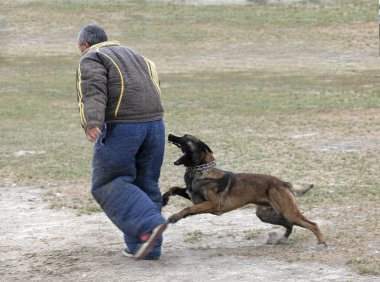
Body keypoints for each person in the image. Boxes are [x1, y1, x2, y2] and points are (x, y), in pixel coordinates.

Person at [75, 24, 167, 260]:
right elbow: (154, 84)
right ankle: (145, 248)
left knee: (108, 183)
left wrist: (92, 121)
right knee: (146, 183)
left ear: (85, 45)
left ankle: (148, 225)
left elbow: (93, 90)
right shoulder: (137, 55)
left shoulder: (93, 57)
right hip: (155, 126)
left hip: (124, 127)